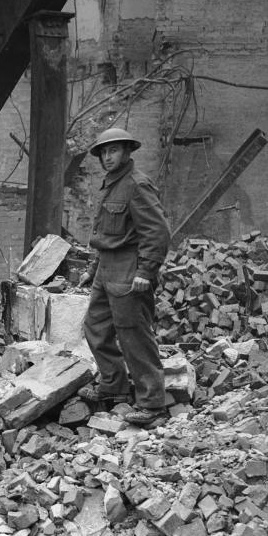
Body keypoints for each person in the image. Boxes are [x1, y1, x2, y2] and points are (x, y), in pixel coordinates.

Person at [78, 128, 170, 426]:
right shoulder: (110, 185)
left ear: (128, 151)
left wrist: (146, 271)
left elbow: (157, 233)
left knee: (134, 334)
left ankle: (152, 404)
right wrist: (92, 269)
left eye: (114, 150)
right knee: (95, 326)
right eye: (104, 152)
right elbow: (104, 233)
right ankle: (114, 386)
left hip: (130, 271)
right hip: (106, 270)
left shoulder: (136, 185)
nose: (108, 157)